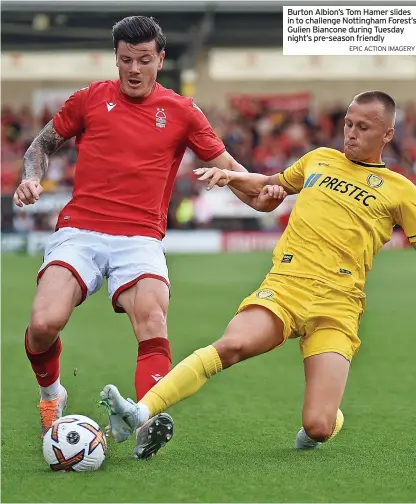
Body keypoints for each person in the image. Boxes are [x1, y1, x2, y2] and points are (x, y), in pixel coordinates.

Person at [100, 91, 416, 455]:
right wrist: (231, 176)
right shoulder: (319, 159)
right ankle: (137, 412)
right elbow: (269, 185)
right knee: (230, 345)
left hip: (338, 307)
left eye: (363, 127)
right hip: (286, 288)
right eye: (348, 123)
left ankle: (330, 418)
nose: (350, 133)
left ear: (387, 134)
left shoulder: (402, 192)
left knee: (317, 427)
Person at [14, 16, 283, 459]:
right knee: (43, 324)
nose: (134, 69)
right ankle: (52, 396)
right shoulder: (89, 99)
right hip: (80, 230)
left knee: (153, 320)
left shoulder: (182, 111)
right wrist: (31, 178)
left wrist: (268, 193)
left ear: (160, 59)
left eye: (143, 60)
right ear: (115, 59)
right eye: (125, 60)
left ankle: (145, 421)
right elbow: (41, 146)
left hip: (140, 238)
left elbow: (239, 177)